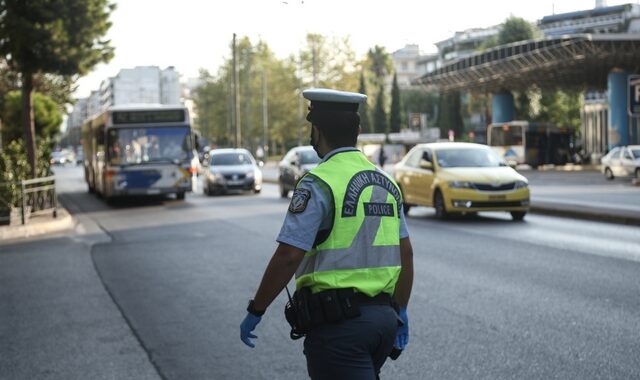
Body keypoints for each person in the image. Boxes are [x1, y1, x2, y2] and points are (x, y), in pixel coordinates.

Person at [240, 88, 414, 379]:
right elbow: (405, 253)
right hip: (384, 321)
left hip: (340, 329)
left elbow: (288, 256)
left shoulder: (318, 183)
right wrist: (402, 310)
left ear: (316, 131)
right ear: (357, 130)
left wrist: (256, 310)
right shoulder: (386, 182)